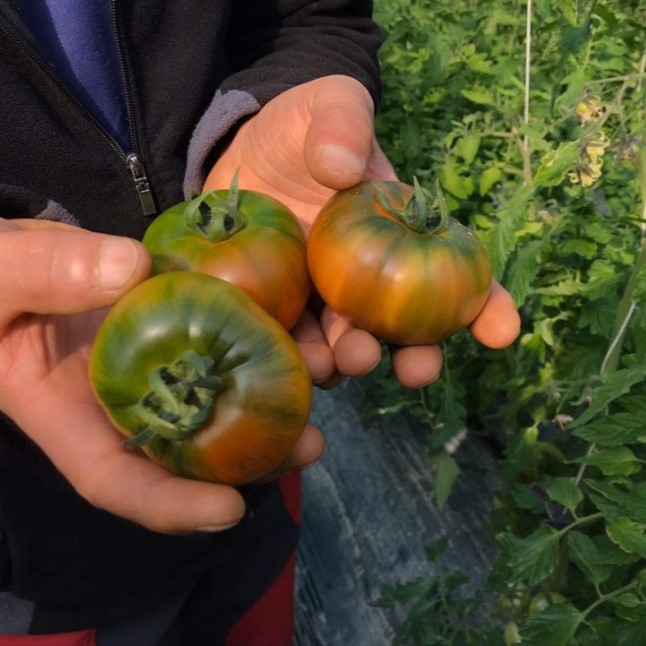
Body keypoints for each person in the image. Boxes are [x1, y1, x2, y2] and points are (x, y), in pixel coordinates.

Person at [0, 0, 520, 643]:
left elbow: (317, 13)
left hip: (257, 484)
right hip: (37, 552)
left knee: (254, 602)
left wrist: (293, 89)